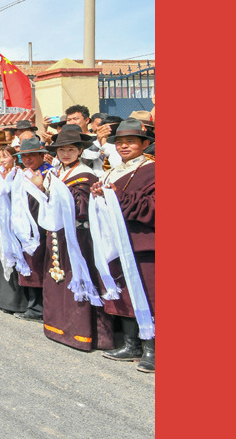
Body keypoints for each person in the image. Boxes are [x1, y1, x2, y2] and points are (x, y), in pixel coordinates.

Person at [39, 127, 114, 352]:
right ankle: (58, 326)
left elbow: (82, 207)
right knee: (57, 279)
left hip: (78, 235)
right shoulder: (54, 173)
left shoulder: (86, 175)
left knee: (78, 276)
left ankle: (81, 332)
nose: (66, 154)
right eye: (62, 150)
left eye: (71, 149)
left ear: (80, 151)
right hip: (56, 233)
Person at [92, 118, 156, 373]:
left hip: (142, 242)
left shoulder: (153, 170)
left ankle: (151, 348)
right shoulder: (112, 171)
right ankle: (130, 344)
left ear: (145, 143)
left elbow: (153, 207)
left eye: (131, 141)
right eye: (119, 142)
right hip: (117, 241)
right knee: (125, 294)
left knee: (149, 295)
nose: (124, 146)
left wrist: (121, 196)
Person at [14, 137, 53, 322]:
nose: (28, 160)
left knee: (39, 266)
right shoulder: (23, 173)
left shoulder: (49, 173)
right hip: (25, 227)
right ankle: (31, 305)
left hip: (41, 226)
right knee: (28, 265)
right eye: (24, 156)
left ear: (41, 155)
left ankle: (40, 308)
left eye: (32, 156)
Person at [0, 147, 28, 315]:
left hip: (16, 222)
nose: (2, 161)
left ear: (14, 158)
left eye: (5, 157)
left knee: (16, 258)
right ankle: (2, 299)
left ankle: (17, 303)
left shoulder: (19, 173)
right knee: (1, 258)